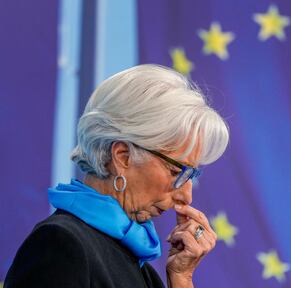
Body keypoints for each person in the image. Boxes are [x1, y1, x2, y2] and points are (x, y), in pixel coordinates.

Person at [5, 64, 229, 287]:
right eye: (176, 171)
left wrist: (181, 277)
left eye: (192, 175)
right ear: (123, 156)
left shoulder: (141, 268)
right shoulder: (59, 244)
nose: (186, 197)